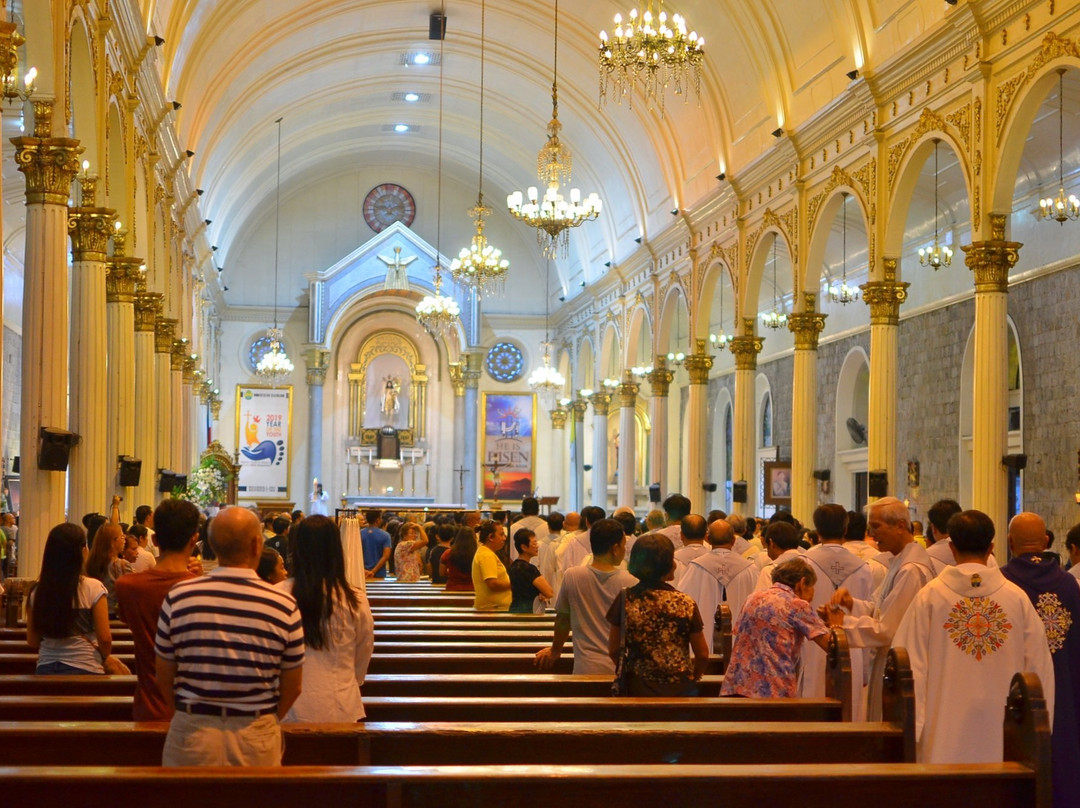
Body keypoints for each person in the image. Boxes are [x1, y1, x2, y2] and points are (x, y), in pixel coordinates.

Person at [893, 509, 1054, 764]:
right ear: (991, 547)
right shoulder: (1016, 598)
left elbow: (909, 666)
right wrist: (1035, 732)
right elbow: (1038, 669)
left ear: (951, 546)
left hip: (942, 735)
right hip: (1006, 740)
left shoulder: (929, 597)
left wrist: (914, 730)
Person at [155, 506, 304, 767]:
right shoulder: (283, 603)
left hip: (194, 732)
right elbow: (293, 685)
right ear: (257, 545)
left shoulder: (179, 596)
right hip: (255, 734)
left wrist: (191, 713)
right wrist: (264, 718)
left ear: (211, 544)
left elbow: (164, 675)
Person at [1001, 511, 1080, 804]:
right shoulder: (1070, 585)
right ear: (1046, 541)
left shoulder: (1003, 584)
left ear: (1010, 543)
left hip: (1022, 691)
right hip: (1067, 688)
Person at [830, 496, 934, 720]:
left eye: (876, 526)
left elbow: (888, 629)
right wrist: (852, 604)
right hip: (889, 661)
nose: (871, 534)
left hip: (901, 664)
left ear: (899, 526)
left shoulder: (911, 570)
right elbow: (879, 607)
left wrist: (842, 623)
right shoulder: (898, 561)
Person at [279, 515, 373, 723]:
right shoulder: (353, 598)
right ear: (336, 551)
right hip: (341, 704)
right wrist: (349, 679)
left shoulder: (278, 595)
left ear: (297, 550)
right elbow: (363, 650)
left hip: (288, 708)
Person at [115, 499, 201, 721]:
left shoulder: (127, 586)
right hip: (193, 710)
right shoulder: (203, 589)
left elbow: (126, 618)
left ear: (153, 539)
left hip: (148, 705)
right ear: (195, 538)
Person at [607, 533, 709, 696]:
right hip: (678, 689)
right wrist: (693, 678)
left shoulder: (626, 598)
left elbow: (613, 650)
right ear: (669, 565)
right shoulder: (685, 603)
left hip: (638, 688)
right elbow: (702, 654)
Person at [721, 557, 838, 698]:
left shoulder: (752, 598)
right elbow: (831, 646)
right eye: (813, 586)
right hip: (773, 689)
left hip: (737, 686)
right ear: (802, 583)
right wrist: (834, 624)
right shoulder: (796, 604)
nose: (813, 593)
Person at [801, 504, 874, 720]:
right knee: (849, 711)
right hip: (851, 645)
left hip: (814, 645)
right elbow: (868, 612)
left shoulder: (804, 562)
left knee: (812, 708)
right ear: (845, 529)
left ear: (817, 531)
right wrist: (865, 668)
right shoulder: (863, 567)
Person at [536, 518, 637, 674]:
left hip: (585, 666)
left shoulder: (573, 576)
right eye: (624, 546)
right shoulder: (630, 581)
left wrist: (555, 651)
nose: (624, 551)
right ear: (615, 548)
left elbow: (563, 619)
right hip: (619, 667)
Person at [26, 523, 111, 675]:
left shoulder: (37, 591)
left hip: (46, 669)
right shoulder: (94, 588)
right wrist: (105, 655)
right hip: (86, 667)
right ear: (83, 551)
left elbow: (32, 640)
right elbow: (104, 639)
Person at [677, 518, 757, 654]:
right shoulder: (750, 568)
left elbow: (682, 602)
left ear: (707, 539)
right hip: (742, 648)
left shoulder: (695, 567)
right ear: (733, 541)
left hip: (703, 649)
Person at [85, 522, 131, 616]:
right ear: (112, 542)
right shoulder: (122, 564)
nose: (125, 540)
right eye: (122, 537)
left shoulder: (89, 563)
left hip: (93, 613)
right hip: (114, 614)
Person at [509, 528, 554, 613]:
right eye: (534, 543)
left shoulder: (513, 566)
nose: (537, 546)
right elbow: (549, 592)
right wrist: (541, 592)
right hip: (528, 611)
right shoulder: (529, 569)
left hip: (514, 609)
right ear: (524, 547)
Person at [472, 520, 511, 611]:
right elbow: (493, 584)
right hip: (492, 610)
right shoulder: (486, 555)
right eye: (501, 535)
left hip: (495, 608)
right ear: (491, 537)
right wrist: (514, 584)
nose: (504, 538)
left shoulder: (487, 553)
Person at [509, 497, 550, 562]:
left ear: (522, 511)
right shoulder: (548, 527)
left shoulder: (513, 528)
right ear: (538, 511)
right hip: (542, 568)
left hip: (518, 568)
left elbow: (509, 553)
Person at [442, 526, 477, 592]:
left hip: (452, 589)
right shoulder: (477, 554)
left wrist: (452, 573)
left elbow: (441, 572)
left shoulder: (448, 553)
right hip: (473, 589)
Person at [360, 509, 392, 579]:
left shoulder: (359, 534)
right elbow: (386, 555)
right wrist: (373, 571)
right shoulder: (385, 535)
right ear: (378, 520)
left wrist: (364, 570)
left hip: (362, 572)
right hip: (379, 573)